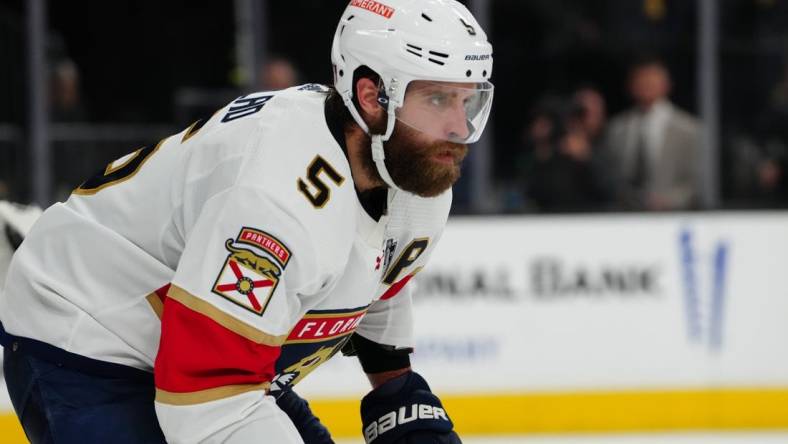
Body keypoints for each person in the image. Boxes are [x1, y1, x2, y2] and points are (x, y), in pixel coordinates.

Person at [0, 0, 494, 443]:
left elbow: (379, 279)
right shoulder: (275, 196)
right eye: (436, 99)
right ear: (371, 96)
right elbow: (207, 394)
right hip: (89, 339)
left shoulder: (415, 171)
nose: (460, 128)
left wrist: (397, 392)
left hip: (203, 341)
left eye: (468, 100)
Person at [606, 55, 701, 211]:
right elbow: (610, 176)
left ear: (666, 85)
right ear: (631, 86)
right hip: (624, 216)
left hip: (673, 216)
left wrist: (669, 201)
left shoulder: (689, 129)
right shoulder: (617, 128)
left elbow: (697, 181)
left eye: (651, 80)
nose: (646, 85)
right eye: (641, 80)